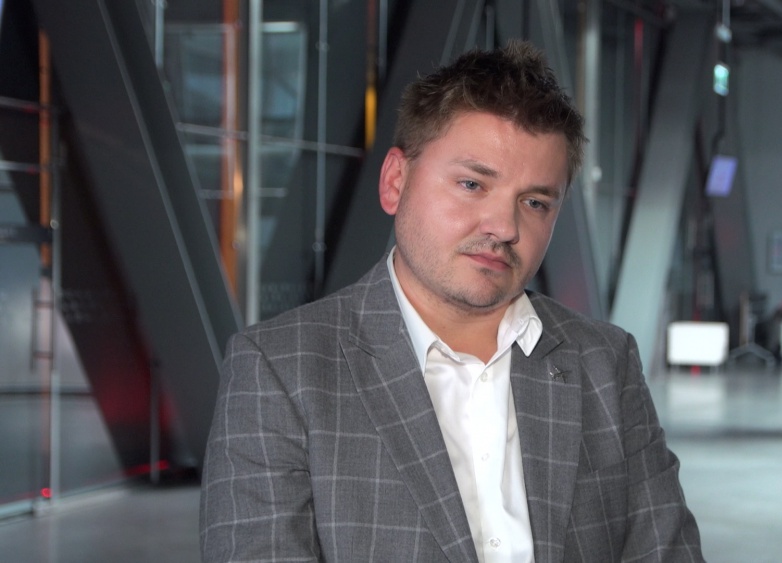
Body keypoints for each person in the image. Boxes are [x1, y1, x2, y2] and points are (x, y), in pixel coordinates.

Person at [200, 40, 703, 562]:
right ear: (395, 182)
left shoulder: (605, 361)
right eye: (471, 184)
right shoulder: (281, 370)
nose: (504, 227)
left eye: (534, 202)